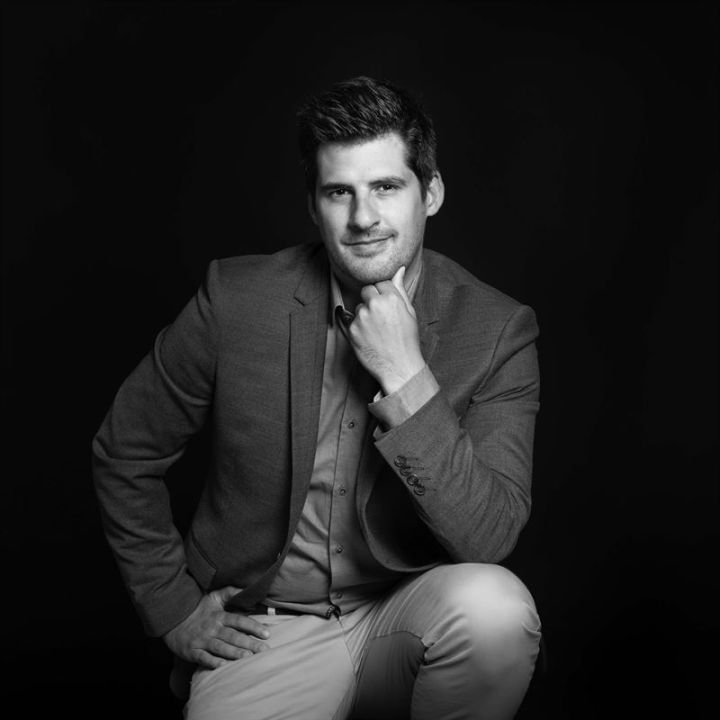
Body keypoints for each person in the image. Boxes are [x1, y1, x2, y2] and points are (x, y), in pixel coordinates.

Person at [92, 75, 542, 720]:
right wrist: (173, 609)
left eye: (386, 187)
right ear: (313, 205)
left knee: (495, 609)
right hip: (268, 627)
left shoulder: (497, 329)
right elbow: (124, 453)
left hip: (410, 609)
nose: (363, 218)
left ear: (431, 193)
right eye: (339, 192)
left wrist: (406, 376)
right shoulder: (236, 301)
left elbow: (489, 534)